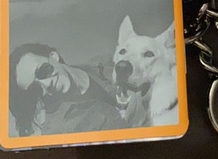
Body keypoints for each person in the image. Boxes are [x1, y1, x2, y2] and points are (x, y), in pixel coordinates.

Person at [9, 43, 148, 137]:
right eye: (35, 88)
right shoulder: (59, 131)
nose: (46, 85)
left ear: (53, 57)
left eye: (42, 71)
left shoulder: (111, 62)